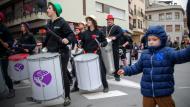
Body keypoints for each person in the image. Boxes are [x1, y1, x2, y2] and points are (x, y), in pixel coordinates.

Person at [117, 25, 190, 107]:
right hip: (147, 92)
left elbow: (182, 55)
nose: (151, 41)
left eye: (154, 39)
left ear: (162, 40)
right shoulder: (145, 53)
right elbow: (136, 67)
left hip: (163, 92)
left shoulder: (168, 52)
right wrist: (126, 70)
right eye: (149, 39)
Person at [80, 15, 109, 93]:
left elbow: (105, 42)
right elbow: (82, 42)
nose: (88, 21)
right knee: (84, 70)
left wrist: (101, 44)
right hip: (87, 54)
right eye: (87, 20)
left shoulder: (99, 32)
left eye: (89, 20)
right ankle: (77, 86)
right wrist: (80, 45)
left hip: (96, 54)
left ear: (93, 22)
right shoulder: (84, 33)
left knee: (101, 70)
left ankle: (105, 86)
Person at [102, 14, 123, 81]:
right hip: (106, 47)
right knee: (106, 60)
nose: (109, 21)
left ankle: (117, 75)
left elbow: (121, 33)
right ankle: (105, 74)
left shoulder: (116, 27)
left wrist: (115, 37)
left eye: (110, 20)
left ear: (113, 20)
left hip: (114, 47)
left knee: (115, 61)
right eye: (108, 20)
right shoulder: (105, 28)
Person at [0, 11, 15, 98]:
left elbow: (11, 41)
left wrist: (7, 44)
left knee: (5, 74)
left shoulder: (4, 29)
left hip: (3, 54)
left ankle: (11, 89)